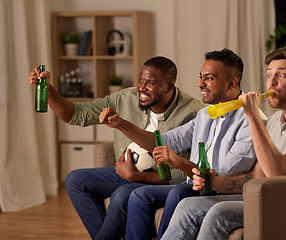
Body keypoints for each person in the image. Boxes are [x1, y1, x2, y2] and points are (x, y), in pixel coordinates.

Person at [161, 47, 286, 240]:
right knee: (188, 205)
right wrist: (214, 182)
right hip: (273, 199)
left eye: (281, 75)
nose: (271, 83)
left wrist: (252, 117)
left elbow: (278, 174)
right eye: (269, 75)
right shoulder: (275, 121)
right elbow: (257, 176)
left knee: (219, 213)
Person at [28, 56, 204, 240]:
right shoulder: (124, 98)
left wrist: (138, 177)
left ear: (169, 86)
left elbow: (189, 173)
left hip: (159, 181)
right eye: (140, 80)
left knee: (122, 195)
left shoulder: (193, 113)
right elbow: (75, 114)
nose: (141, 87)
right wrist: (48, 90)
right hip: (125, 172)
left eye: (150, 83)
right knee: (75, 180)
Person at [99, 48, 267, 239]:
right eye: (201, 77)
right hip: (193, 186)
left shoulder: (251, 121)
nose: (200, 84)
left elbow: (221, 175)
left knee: (179, 191)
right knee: (139, 196)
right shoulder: (206, 115)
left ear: (232, 83)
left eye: (209, 78)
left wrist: (179, 162)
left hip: (215, 190)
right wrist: (120, 124)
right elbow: (162, 141)